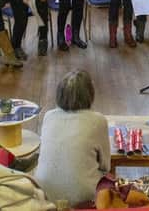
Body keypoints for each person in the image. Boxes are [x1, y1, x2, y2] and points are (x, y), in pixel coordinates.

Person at [35, 70, 110, 206]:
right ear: (90, 94)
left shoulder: (49, 116)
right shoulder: (98, 120)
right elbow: (106, 166)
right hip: (83, 197)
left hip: (43, 192)